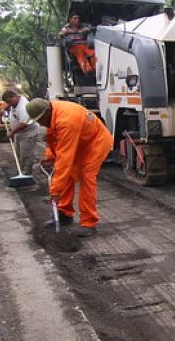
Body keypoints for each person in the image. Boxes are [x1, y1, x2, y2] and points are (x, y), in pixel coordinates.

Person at [26, 98, 113, 237]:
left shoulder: (67, 120)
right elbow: (54, 139)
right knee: (67, 176)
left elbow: (64, 160)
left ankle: (89, 222)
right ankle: (64, 213)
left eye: (40, 119)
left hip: (96, 142)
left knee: (86, 177)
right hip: (80, 142)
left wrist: (55, 190)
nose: (39, 123)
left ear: (47, 112)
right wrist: (49, 155)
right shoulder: (52, 113)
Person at [2, 89, 44, 179]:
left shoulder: (23, 107)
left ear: (15, 97)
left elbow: (24, 124)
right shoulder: (17, 100)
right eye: (7, 102)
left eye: (9, 101)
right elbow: (12, 104)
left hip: (28, 134)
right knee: (19, 155)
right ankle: (21, 172)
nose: (10, 103)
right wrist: (6, 107)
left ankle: (26, 175)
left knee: (26, 155)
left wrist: (12, 133)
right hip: (20, 134)